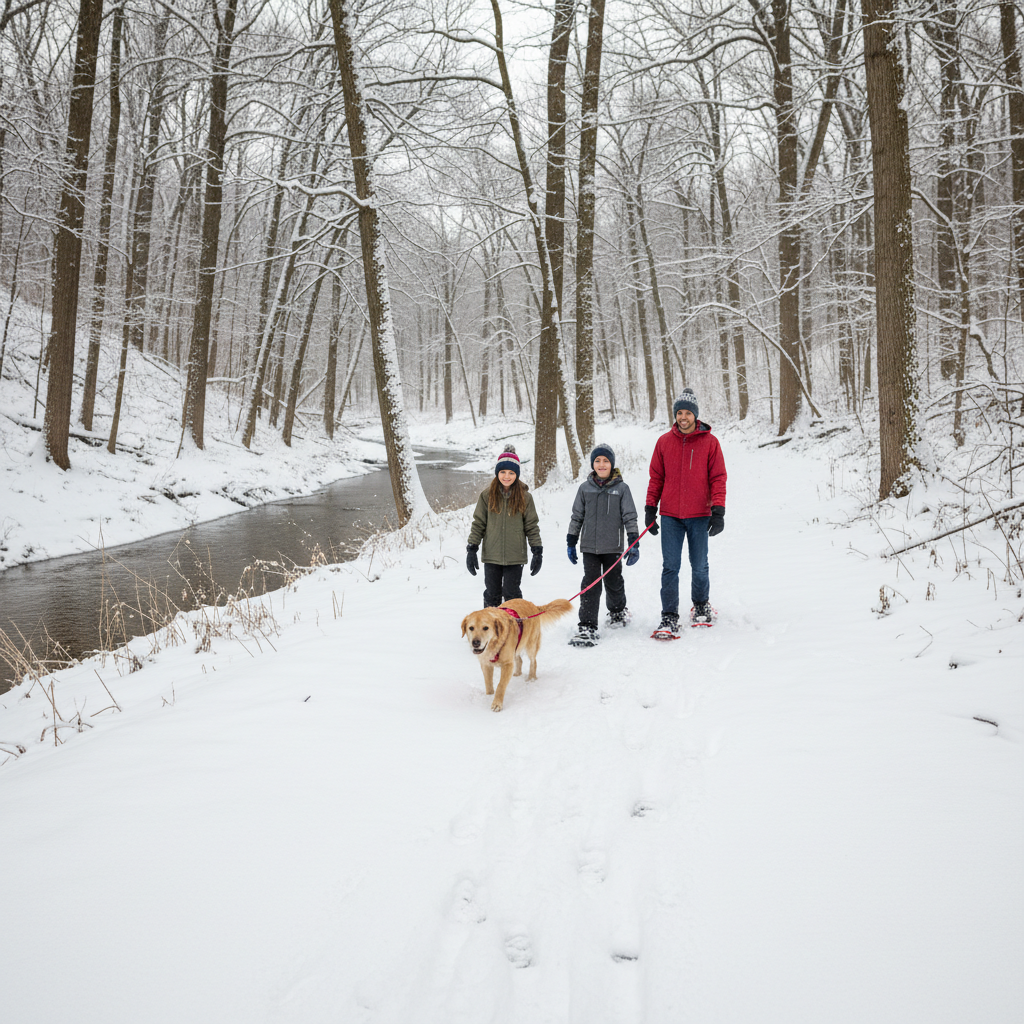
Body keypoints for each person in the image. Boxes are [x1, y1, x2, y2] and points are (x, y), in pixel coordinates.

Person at [645, 388, 727, 635]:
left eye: (687, 413)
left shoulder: (710, 443)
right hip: (671, 516)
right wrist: (650, 508)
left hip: (700, 515)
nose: (683, 417)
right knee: (670, 566)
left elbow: (718, 478)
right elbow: (656, 478)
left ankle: (701, 605)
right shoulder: (663, 442)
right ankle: (669, 615)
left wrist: (718, 510)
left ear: (695, 416)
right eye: (679, 412)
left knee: (699, 564)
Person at [565, 443, 639, 647]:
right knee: (590, 584)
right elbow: (576, 516)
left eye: (606, 461)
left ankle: (617, 611)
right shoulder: (584, 488)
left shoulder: (622, 489)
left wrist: (634, 540)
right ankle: (587, 625)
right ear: (592, 464)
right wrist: (571, 540)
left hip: (613, 547)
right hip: (589, 547)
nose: (601, 464)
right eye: (597, 461)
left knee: (614, 582)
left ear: (612, 464)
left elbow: (629, 516)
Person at [466, 446, 543, 607]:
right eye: (503, 472)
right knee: (492, 593)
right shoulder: (487, 496)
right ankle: (492, 629)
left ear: (517, 475)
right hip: (492, 555)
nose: (506, 476)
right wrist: (472, 548)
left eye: (511, 473)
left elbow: (531, 526)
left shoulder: (525, 497)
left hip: (515, 556)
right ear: (497, 473)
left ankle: (515, 626)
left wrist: (537, 551)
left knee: (512, 593)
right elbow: (478, 523)